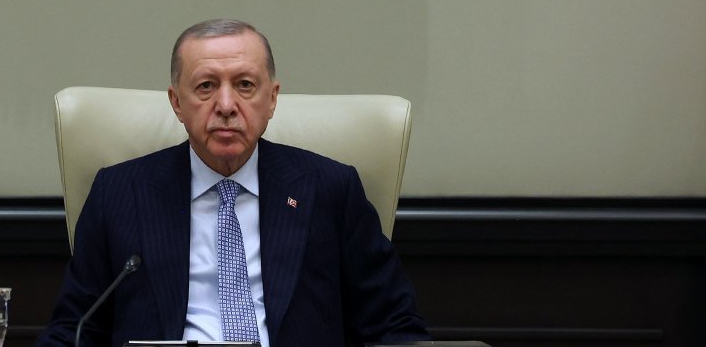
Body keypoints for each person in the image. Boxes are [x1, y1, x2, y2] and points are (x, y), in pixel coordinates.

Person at [35, 19, 429, 346]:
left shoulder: (329, 188)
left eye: (245, 85)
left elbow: (395, 327)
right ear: (176, 102)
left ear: (272, 99)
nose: (226, 106)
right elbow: (74, 330)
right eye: (206, 86)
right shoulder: (119, 193)